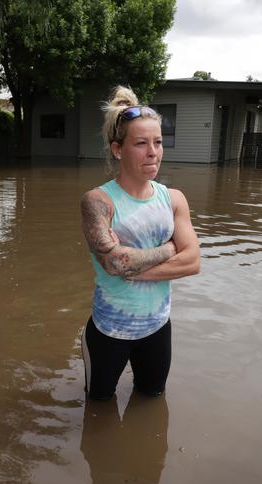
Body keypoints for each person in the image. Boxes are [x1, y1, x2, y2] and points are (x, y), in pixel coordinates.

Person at [80, 85, 200, 401]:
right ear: (118, 149)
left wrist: (134, 266)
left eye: (158, 142)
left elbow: (194, 262)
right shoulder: (98, 201)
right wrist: (170, 249)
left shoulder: (174, 199)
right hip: (109, 332)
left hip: (158, 329)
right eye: (141, 143)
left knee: (151, 400)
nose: (153, 152)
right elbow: (115, 263)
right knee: (99, 408)